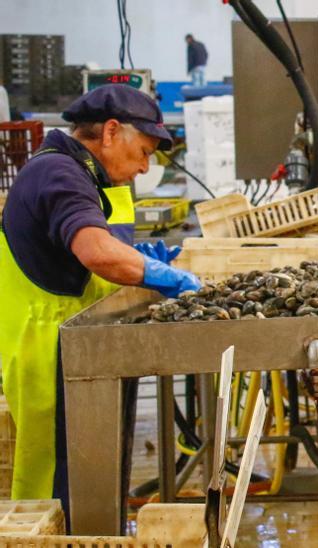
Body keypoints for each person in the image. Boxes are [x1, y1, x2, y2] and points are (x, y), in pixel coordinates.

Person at [0, 84, 202, 503]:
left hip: (79, 338)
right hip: (52, 348)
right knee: (61, 485)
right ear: (111, 131)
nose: (146, 167)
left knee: (92, 478)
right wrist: (164, 276)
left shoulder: (87, 174)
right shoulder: (59, 173)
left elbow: (95, 245)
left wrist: (137, 256)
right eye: (144, 151)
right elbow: (96, 252)